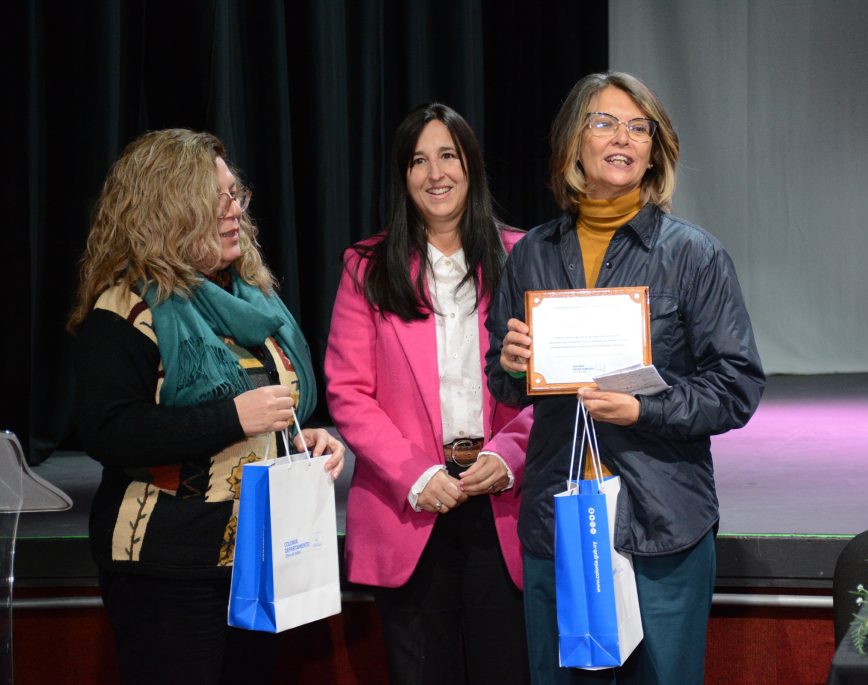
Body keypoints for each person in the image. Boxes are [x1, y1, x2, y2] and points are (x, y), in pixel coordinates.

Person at [485, 72, 766, 684]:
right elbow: (503, 381)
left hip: (663, 523)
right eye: (606, 122)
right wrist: (510, 365)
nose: (625, 137)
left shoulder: (694, 254)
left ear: (653, 151)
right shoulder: (530, 254)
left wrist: (645, 410)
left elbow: (738, 385)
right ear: (573, 145)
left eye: (640, 128)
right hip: (561, 520)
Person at [68, 129, 345, 685]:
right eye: (214, 199)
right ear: (168, 210)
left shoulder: (253, 299)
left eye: (234, 194)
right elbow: (109, 431)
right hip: (168, 566)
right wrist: (233, 417)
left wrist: (302, 437)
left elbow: (273, 408)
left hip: (256, 557)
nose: (234, 211)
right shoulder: (124, 308)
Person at [325, 103, 532, 684]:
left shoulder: (525, 257)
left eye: (448, 155)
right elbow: (348, 392)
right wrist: (416, 474)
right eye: (419, 160)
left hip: (503, 500)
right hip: (411, 502)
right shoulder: (366, 268)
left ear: (471, 167)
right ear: (403, 175)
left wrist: (508, 455)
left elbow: (554, 387)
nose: (435, 173)